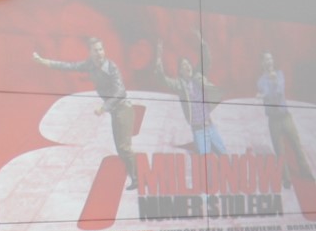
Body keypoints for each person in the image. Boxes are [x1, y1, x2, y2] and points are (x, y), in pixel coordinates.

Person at [33, 37, 140, 189]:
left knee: (124, 148)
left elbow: (120, 91)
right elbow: (68, 66)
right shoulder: (89, 65)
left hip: (123, 108)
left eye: (101, 49)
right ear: (90, 53)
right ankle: (136, 178)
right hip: (115, 111)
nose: (99, 53)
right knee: (121, 148)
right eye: (96, 50)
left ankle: (138, 179)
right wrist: (44, 62)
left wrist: (104, 107)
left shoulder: (111, 67)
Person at [154, 35, 227, 156]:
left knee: (224, 156)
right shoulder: (180, 86)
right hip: (198, 130)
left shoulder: (198, 77)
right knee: (205, 161)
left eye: (188, 64)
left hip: (210, 125)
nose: (187, 66)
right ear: (180, 71)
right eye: (183, 65)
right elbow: (162, 79)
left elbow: (206, 60)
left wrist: (202, 43)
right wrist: (158, 57)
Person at [257, 50, 315, 187]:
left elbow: (279, 92)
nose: (269, 61)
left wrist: (273, 82)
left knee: (296, 145)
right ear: (262, 63)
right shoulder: (260, 81)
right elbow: (267, 95)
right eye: (266, 59)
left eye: (271, 58)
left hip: (285, 116)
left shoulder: (280, 75)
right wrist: (266, 93)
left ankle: (305, 171)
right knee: (279, 150)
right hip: (273, 119)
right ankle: (286, 178)